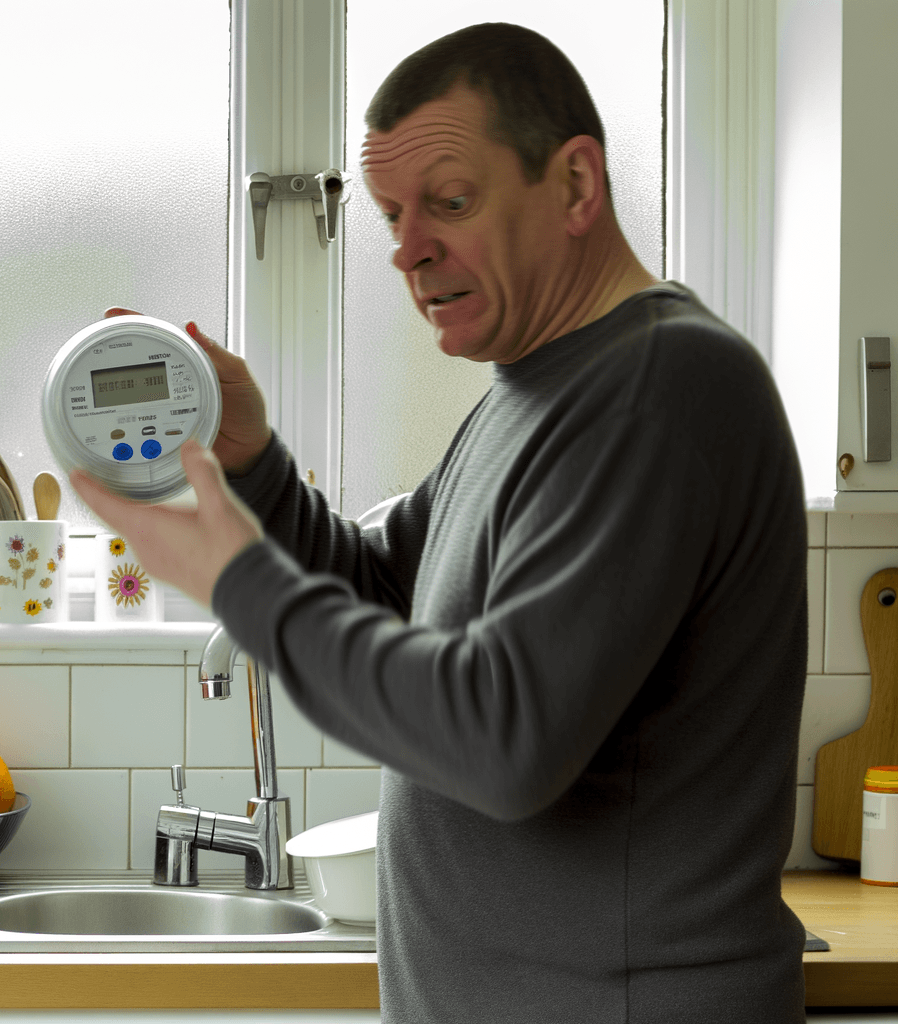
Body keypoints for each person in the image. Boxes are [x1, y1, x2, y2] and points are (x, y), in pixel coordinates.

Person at [72, 22, 807, 1024]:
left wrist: (237, 577)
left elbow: (501, 739)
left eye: (448, 203)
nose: (407, 250)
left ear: (576, 186)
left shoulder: (661, 391)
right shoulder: (535, 390)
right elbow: (383, 585)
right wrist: (253, 467)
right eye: (388, 217)